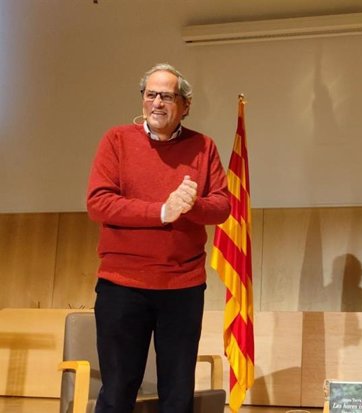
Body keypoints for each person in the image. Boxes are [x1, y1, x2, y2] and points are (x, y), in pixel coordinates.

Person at [86, 63, 231, 413]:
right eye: (151, 95)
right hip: (123, 285)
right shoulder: (116, 140)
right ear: (142, 100)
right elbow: (99, 203)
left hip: (183, 287)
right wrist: (162, 212)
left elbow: (223, 206)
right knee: (118, 389)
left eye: (167, 96)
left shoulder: (203, 146)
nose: (157, 103)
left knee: (178, 393)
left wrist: (190, 205)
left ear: (185, 105)